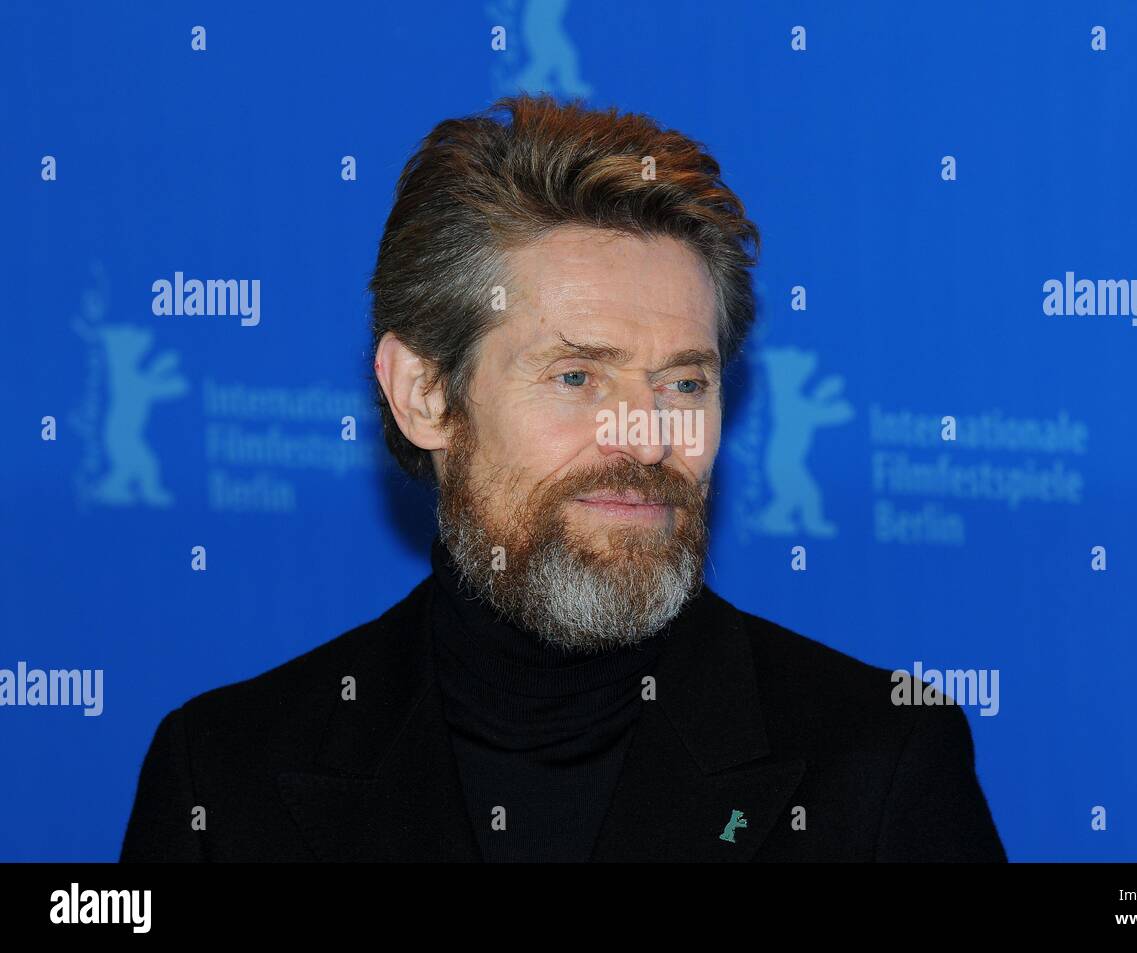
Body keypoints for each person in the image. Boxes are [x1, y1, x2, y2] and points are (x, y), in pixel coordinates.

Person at [120, 92, 1006, 862]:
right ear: (426, 394)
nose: (646, 437)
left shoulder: (878, 760)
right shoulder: (225, 773)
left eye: (684, 382)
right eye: (578, 376)